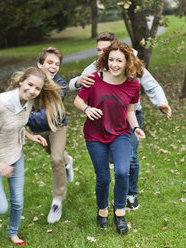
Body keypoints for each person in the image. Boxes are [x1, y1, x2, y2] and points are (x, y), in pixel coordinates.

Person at [69, 31, 172, 210]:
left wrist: (161, 103)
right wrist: (79, 83)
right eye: (99, 50)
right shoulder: (95, 68)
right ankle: (108, 199)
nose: (102, 54)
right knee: (111, 161)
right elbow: (77, 86)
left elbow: (151, 85)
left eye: (106, 49)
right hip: (102, 121)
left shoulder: (129, 64)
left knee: (130, 158)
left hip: (130, 116)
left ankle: (130, 194)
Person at [0, 67, 64, 245]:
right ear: (21, 82)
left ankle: (13, 233)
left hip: (15, 155)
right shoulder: (1, 104)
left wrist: (30, 135)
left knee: (18, 202)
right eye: (30, 85)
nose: (32, 91)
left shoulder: (28, 102)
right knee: (1, 207)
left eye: (37, 88)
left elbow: (16, 124)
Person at [74, 42, 146, 234]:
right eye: (111, 59)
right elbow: (78, 100)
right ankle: (102, 210)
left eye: (119, 61)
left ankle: (120, 213)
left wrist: (136, 127)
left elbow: (130, 111)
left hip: (120, 134)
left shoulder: (133, 85)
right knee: (104, 178)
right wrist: (87, 109)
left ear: (127, 63)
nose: (114, 64)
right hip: (95, 136)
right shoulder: (94, 79)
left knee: (123, 172)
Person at [27, 47, 74, 224]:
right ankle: (68, 162)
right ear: (40, 64)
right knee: (58, 157)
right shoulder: (30, 81)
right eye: (50, 63)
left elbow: (48, 113)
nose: (54, 66)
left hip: (57, 127)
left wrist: (26, 116)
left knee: (55, 159)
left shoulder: (60, 85)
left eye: (57, 64)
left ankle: (57, 201)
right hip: (38, 131)